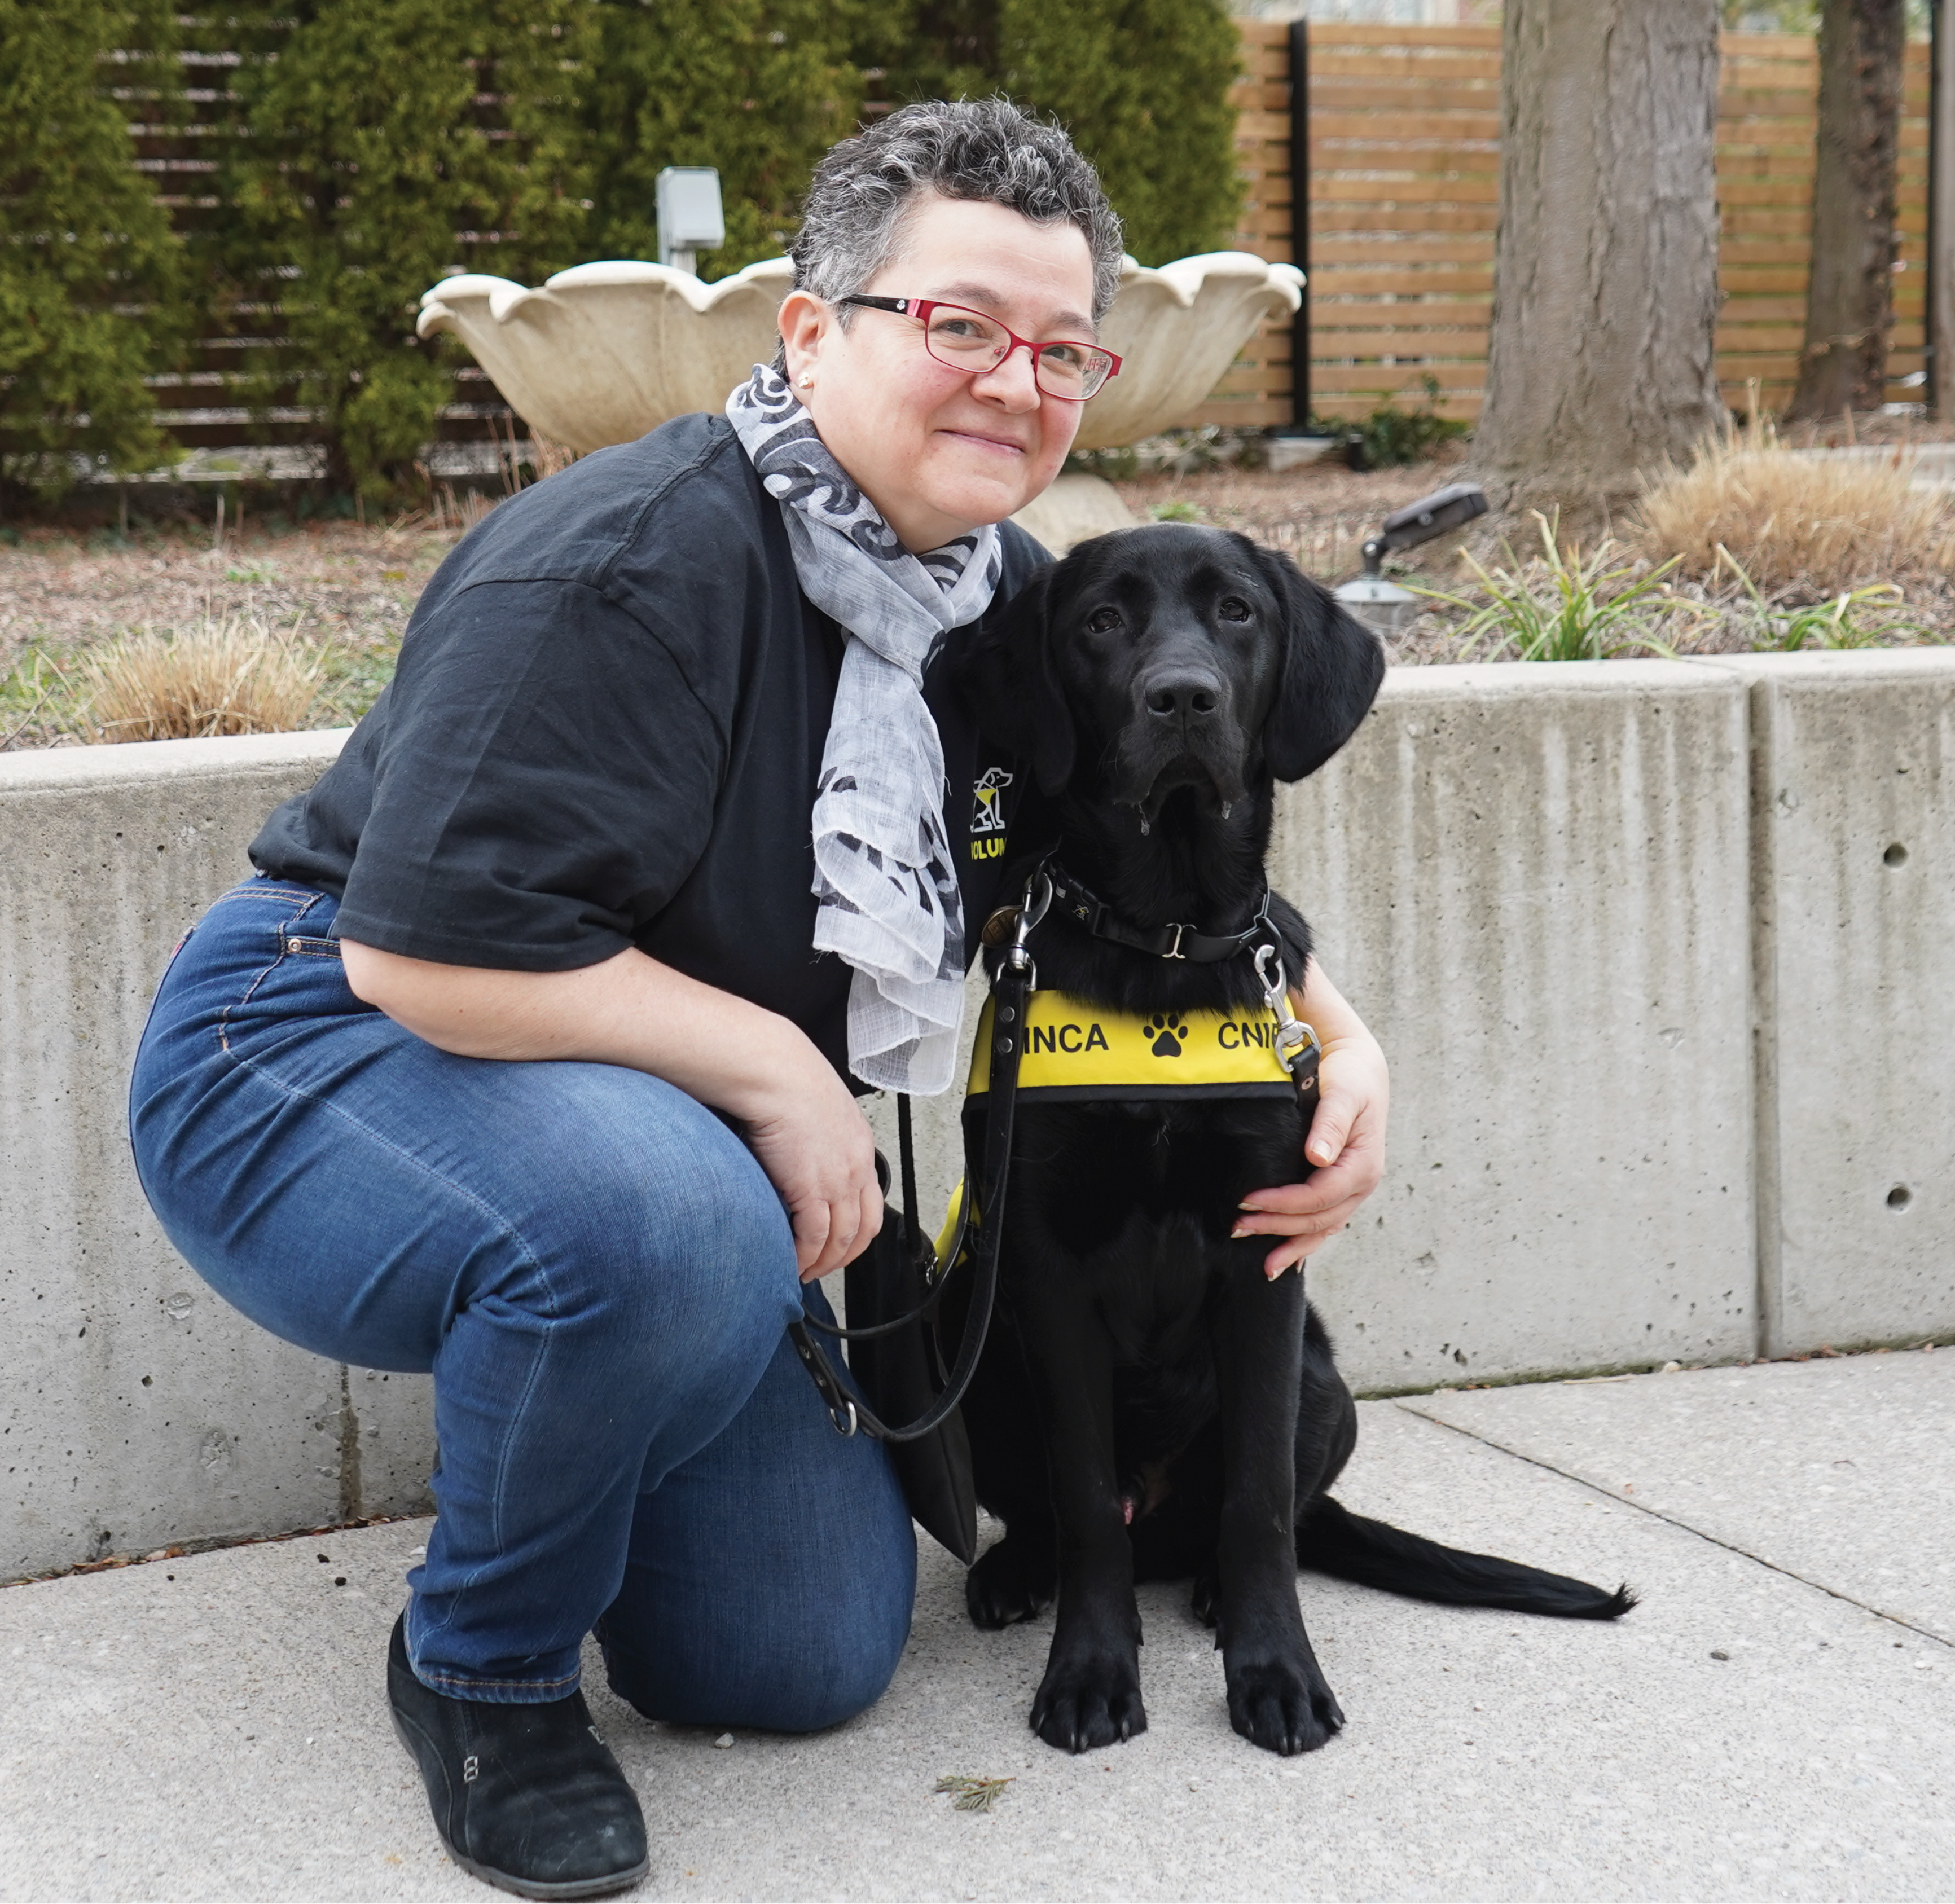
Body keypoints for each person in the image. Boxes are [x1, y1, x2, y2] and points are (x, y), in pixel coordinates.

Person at [128, 99, 1391, 1902]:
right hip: (314, 1048)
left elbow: (1121, 846)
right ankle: (479, 1664)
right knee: (658, 1222)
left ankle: (585, 1403)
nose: (1012, 382)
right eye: (956, 325)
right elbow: (414, 951)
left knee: (792, 1656)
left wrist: (1343, 1044)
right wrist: (781, 1077)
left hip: (654, 1114)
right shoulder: (626, 564)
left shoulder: (995, 608)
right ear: (811, 331)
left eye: (1058, 350)